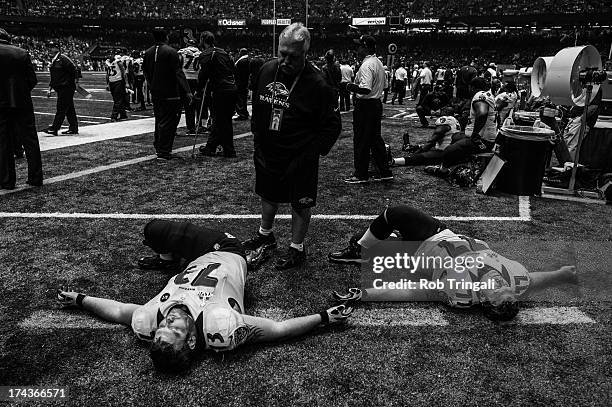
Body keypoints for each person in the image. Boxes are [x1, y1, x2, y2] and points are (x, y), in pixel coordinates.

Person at [57, 220, 353, 373]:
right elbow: (278, 329)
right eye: (174, 330)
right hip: (226, 249)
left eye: (163, 329)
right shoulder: (219, 325)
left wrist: (80, 299)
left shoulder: (150, 320)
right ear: (193, 340)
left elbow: (119, 311)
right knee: (156, 230)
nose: (168, 321)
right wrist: (324, 316)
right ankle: (251, 258)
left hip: (196, 260)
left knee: (152, 231)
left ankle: (169, 258)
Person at [328, 205, 578, 321]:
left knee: (396, 214)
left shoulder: (461, 290)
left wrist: (365, 293)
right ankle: (392, 240)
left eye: (497, 291)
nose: (500, 284)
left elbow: (413, 292)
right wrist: (561, 274)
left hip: (424, 247)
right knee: (394, 228)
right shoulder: (516, 281)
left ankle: (361, 250)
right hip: (447, 236)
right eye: (507, 290)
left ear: (485, 300)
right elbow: (535, 280)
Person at [244, 23, 341, 270]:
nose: (285, 60)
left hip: (300, 155)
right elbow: (257, 105)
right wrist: (257, 136)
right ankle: (266, 234)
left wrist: (311, 153)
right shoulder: (267, 70)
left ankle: (297, 247)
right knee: (267, 192)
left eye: (293, 56)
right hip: (267, 149)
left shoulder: (317, 82)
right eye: (282, 53)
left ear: (305, 52)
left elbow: (332, 125)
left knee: (301, 201)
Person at [344, 35, 393, 184]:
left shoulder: (366, 65)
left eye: (359, 46)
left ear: (366, 47)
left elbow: (365, 89)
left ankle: (361, 174)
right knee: (375, 139)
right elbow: (385, 86)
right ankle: (385, 171)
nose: (357, 48)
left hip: (365, 106)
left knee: (361, 140)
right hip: (376, 104)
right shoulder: (378, 62)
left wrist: (349, 86)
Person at [0, 28, 43, 189]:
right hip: (22, 102)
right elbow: (32, 79)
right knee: (30, 140)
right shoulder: (22, 53)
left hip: (1, 104)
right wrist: (21, 92)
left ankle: (7, 180)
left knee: (3, 142)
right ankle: (35, 177)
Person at [143, 29, 192, 161]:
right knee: (169, 122)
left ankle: (159, 146)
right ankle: (164, 150)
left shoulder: (147, 52)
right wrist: (187, 91)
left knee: (159, 120)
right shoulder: (171, 52)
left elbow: (146, 73)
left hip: (156, 92)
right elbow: (178, 73)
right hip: (170, 92)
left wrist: (152, 85)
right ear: (166, 37)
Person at [196, 32, 238, 158]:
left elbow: (203, 76)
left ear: (203, 40)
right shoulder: (224, 53)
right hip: (231, 88)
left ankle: (229, 150)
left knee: (221, 120)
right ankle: (212, 146)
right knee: (222, 120)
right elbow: (233, 70)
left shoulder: (205, 54)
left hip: (220, 90)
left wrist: (198, 90)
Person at [390, 116, 463, 167]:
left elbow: (431, 143)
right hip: (454, 150)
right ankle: (408, 147)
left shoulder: (444, 125)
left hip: (443, 152)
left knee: (419, 157)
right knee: (425, 147)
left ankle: (393, 161)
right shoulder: (455, 122)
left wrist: (417, 153)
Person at [43, 41, 79, 136]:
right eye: (49, 47)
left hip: (66, 88)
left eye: (52, 47)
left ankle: (54, 128)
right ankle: (73, 127)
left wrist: (75, 83)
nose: (50, 49)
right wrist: (50, 88)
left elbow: (75, 69)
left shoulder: (63, 58)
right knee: (69, 108)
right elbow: (54, 77)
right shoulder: (55, 60)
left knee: (61, 108)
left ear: (57, 48)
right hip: (61, 87)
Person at [178, 40, 202, 134]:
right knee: (197, 104)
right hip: (196, 79)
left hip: (184, 79)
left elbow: (178, 66)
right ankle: (199, 125)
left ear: (187, 44)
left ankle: (190, 127)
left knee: (183, 104)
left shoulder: (182, 52)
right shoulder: (200, 53)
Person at [106, 53, 129, 122]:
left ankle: (114, 116)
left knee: (117, 99)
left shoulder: (118, 62)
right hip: (112, 82)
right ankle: (123, 114)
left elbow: (123, 72)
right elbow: (107, 74)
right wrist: (107, 84)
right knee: (118, 99)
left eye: (110, 55)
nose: (109, 56)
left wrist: (126, 83)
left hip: (118, 82)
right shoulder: (108, 63)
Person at [234, 48, 250, 121]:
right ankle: (244, 113)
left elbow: (238, 73)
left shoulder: (242, 61)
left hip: (240, 83)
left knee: (240, 99)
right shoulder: (247, 60)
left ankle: (242, 114)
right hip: (244, 82)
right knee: (243, 99)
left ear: (242, 53)